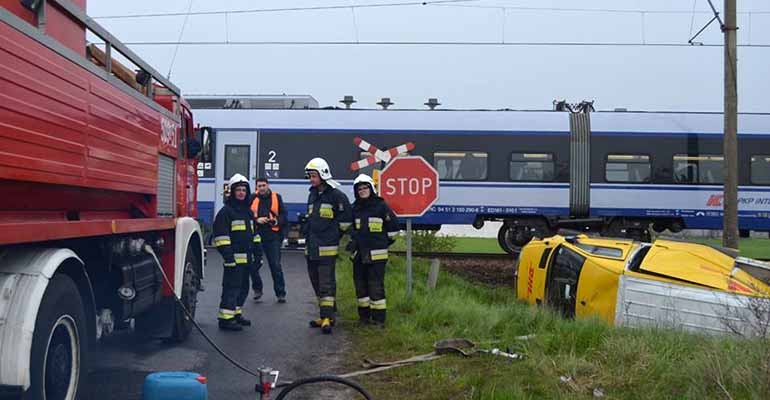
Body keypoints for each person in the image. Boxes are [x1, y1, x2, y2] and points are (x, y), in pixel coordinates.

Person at [300, 157, 352, 334]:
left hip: (327, 249)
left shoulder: (337, 196)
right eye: (309, 176)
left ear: (323, 175)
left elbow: (345, 222)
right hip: (312, 248)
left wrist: (333, 235)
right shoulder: (312, 195)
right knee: (315, 283)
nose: (311, 180)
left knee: (326, 284)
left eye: (313, 176)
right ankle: (325, 314)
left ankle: (328, 318)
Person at [347, 174, 400, 327]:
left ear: (371, 188)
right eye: (359, 189)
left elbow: (394, 230)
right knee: (360, 287)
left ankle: (378, 320)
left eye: (365, 187)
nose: (362, 191)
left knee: (375, 287)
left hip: (377, 256)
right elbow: (350, 228)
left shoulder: (381, 206)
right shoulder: (354, 207)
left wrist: (382, 243)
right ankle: (363, 318)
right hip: (359, 255)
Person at [212, 174, 261, 331]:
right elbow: (221, 238)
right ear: (232, 192)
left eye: (244, 190)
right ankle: (226, 319)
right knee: (231, 288)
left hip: (247, 259)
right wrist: (229, 258)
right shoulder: (226, 212)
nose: (241, 193)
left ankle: (236, 313)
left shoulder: (248, 212)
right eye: (238, 190)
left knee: (243, 288)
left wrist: (258, 256)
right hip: (233, 260)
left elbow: (255, 236)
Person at [250, 177, 288, 303]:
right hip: (256, 237)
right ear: (256, 187)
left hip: (273, 236)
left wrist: (276, 221)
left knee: (275, 265)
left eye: (263, 185)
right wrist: (257, 220)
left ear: (268, 185)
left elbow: (283, 215)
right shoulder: (251, 198)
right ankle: (257, 290)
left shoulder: (277, 197)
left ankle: (280, 293)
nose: (261, 188)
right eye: (259, 186)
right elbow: (246, 215)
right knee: (254, 266)